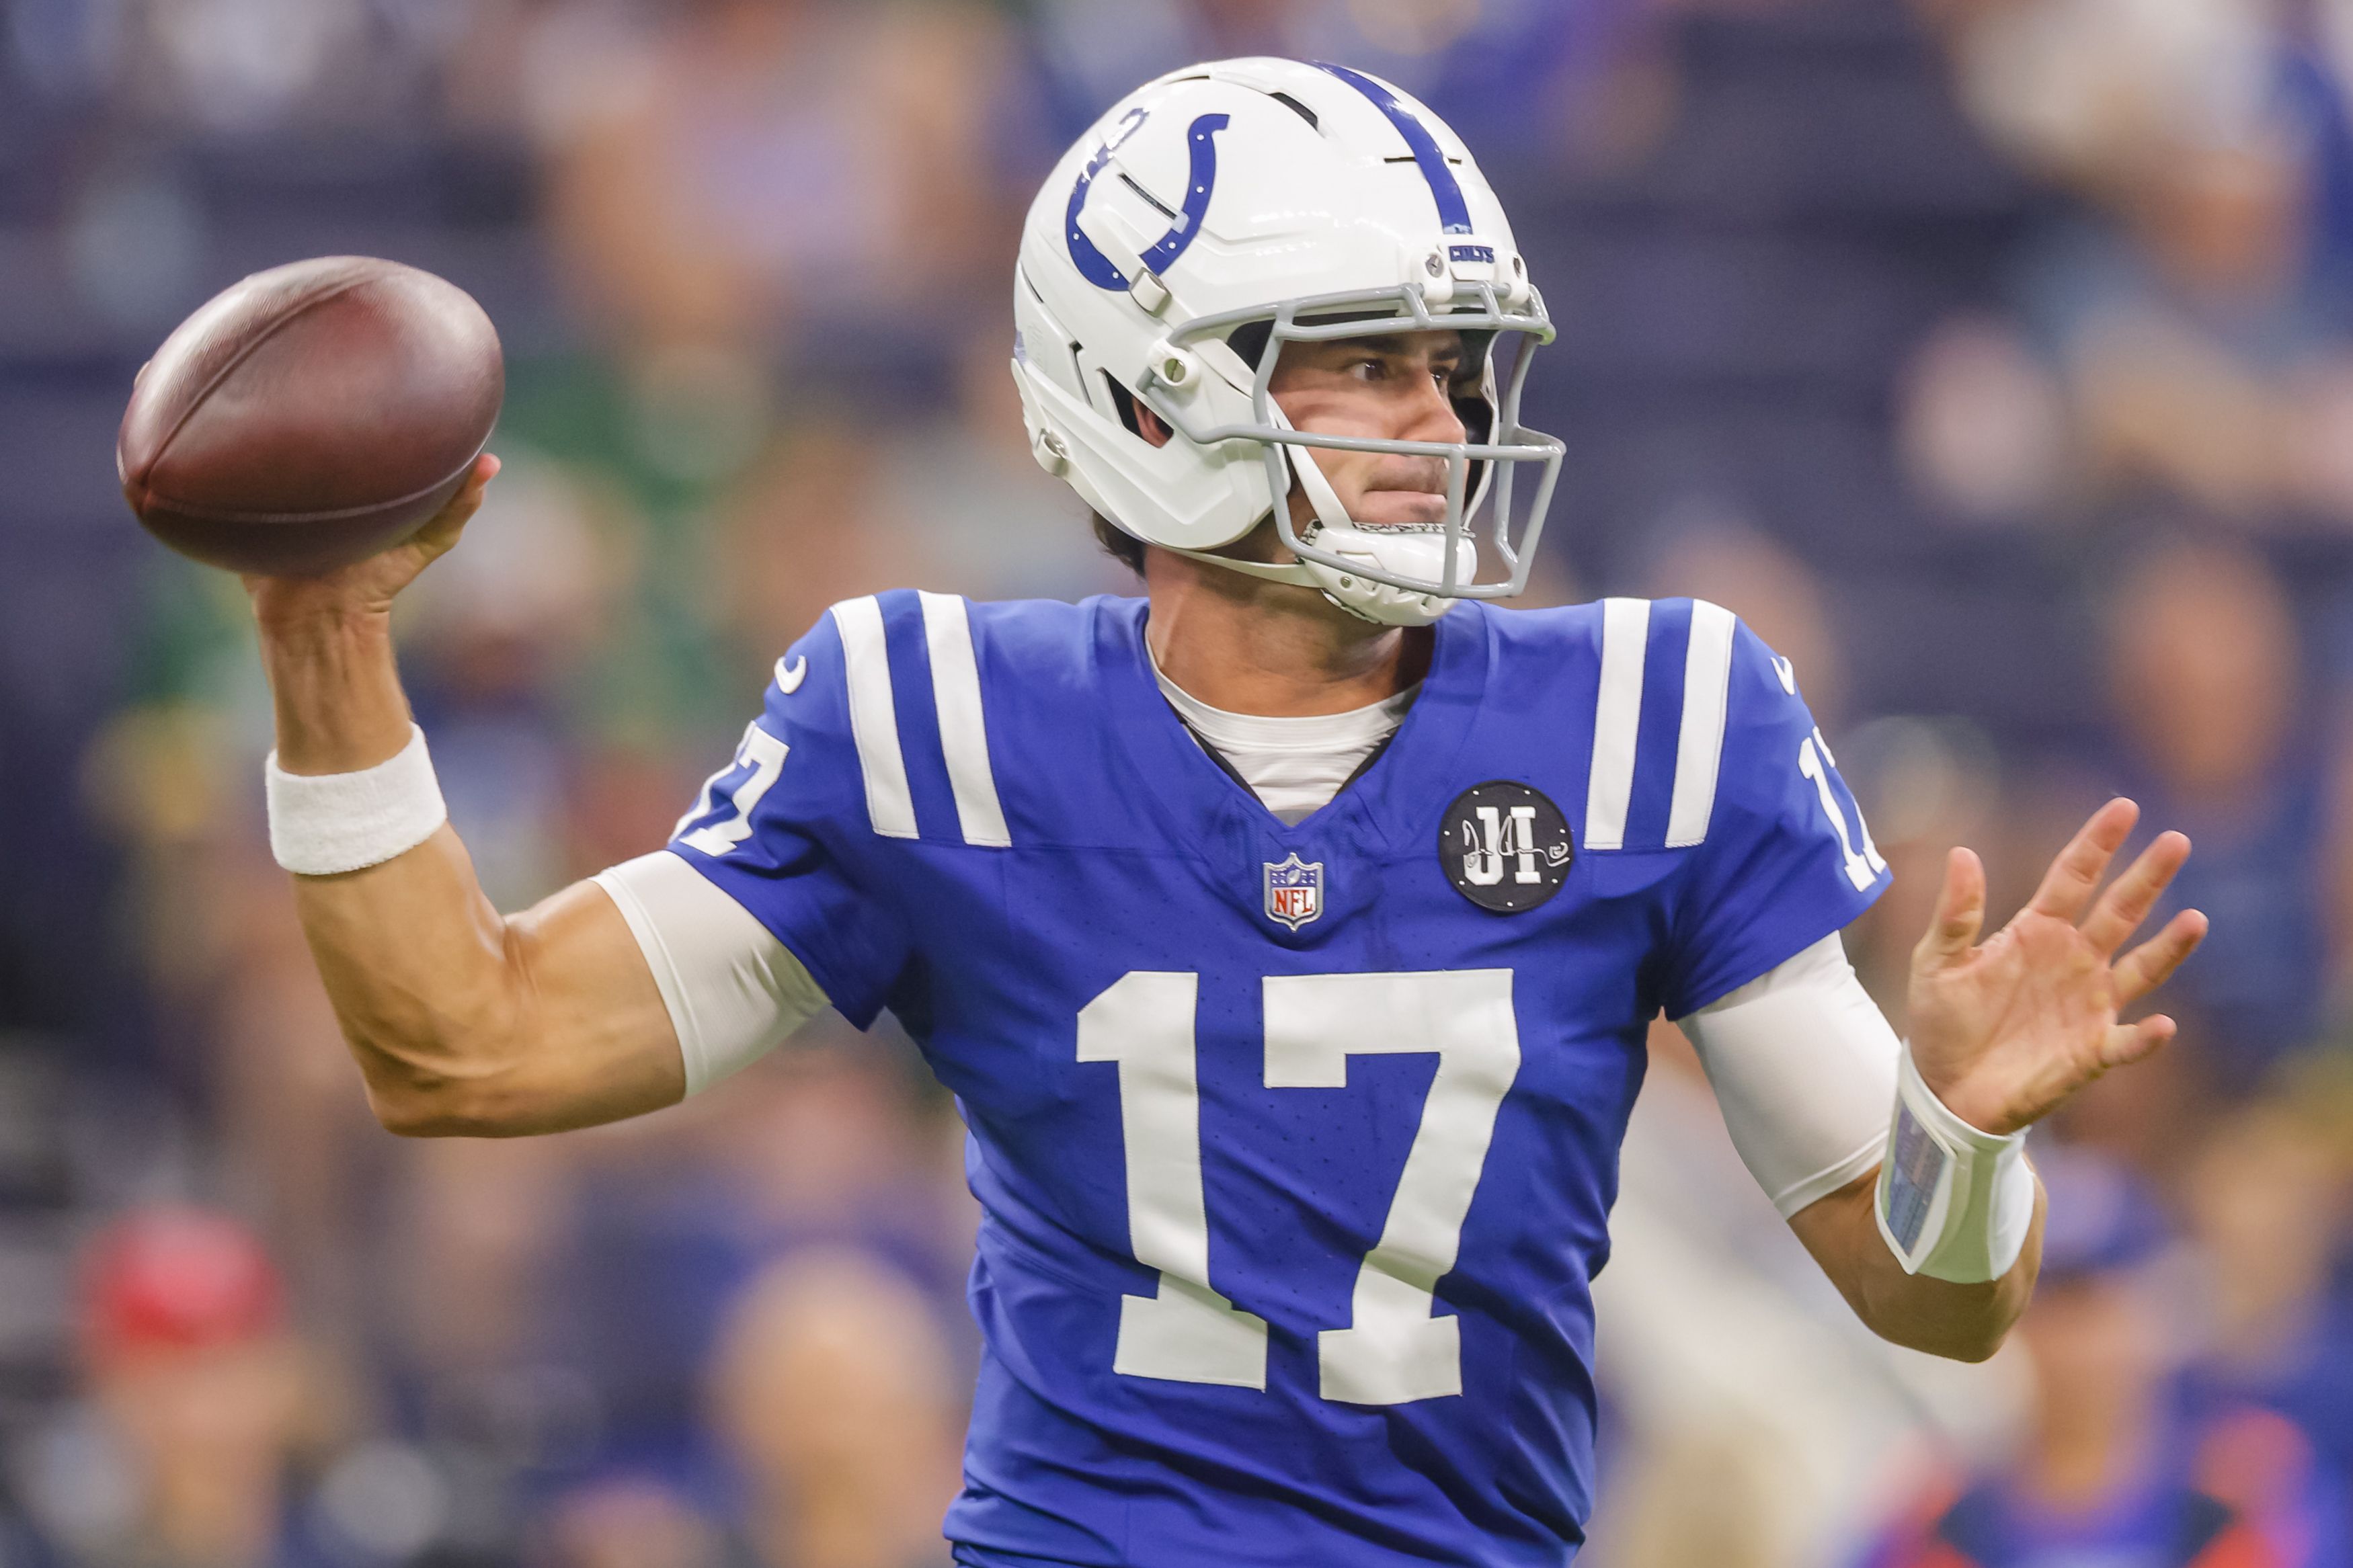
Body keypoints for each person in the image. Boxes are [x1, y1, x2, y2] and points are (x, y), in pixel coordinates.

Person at [237, 59, 2207, 1568]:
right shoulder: (935, 723)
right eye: (1364, 368)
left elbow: (1940, 1304)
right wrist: (325, 635)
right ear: (1147, 396)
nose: (1440, 424)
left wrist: (1956, 1137)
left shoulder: (1651, 721)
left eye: (1452, 370)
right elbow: (467, 1044)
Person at [1856, 1149, 2344, 1568]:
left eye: (2098, 1305)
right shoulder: (1936, 1520)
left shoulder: (2254, 1495)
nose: (2075, 1342)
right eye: (2051, 1305)